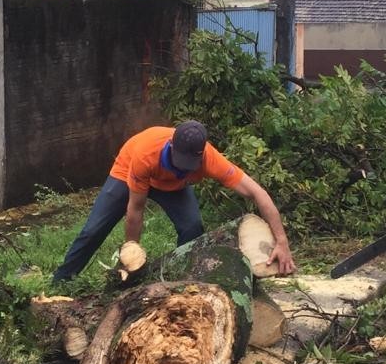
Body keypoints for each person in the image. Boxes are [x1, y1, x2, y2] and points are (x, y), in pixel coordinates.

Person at [52, 120, 296, 282]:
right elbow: (135, 210)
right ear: (171, 145)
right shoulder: (145, 155)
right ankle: (62, 279)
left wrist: (282, 241)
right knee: (94, 230)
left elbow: (257, 193)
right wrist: (131, 257)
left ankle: (181, 281)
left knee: (192, 228)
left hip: (174, 188)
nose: (184, 168)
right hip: (130, 172)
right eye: (180, 162)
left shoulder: (210, 158)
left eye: (191, 165)